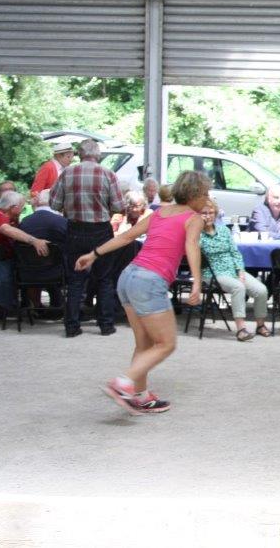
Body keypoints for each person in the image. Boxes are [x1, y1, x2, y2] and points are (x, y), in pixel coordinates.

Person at [81, 170, 211, 415]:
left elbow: (127, 236)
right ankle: (123, 384)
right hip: (149, 282)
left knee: (145, 343)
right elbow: (191, 247)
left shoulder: (159, 213)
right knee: (166, 344)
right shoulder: (193, 218)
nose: (207, 198)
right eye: (205, 193)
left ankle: (140, 395)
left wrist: (93, 254)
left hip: (129, 277)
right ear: (195, 194)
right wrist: (197, 282)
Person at [50, 139, 124, 338]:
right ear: (97, 154)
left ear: (79, 154)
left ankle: (72, 326)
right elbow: (118, 206)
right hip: (101, 231)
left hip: (74, 230)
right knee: (104, 279)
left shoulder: (67, 173)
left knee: (75, 281)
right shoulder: (108, 174)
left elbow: (54, 204)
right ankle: (106, 325)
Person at [199, 198, 270, 341]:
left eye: (211, 212)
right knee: (238, 287)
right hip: (213, 273)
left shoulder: (224, 230)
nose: (208, 216)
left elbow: (235, 252)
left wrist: (240, 270)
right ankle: (241, 329)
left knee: (261, 290)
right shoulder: (196, 234)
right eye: (204, 213)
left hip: (232, 270)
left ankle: (260, 325)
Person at [0, 191, 50, 321]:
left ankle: (34, 305)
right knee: (32, 270)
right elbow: (6, 230)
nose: (23, 209)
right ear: (14, 207)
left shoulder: (2, 216)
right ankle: (36, 306)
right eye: (22, 206)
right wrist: (34, 240)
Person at [19, 190, 69, 310]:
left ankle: (36, 307)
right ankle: (75, 308)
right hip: (57, 272)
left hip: (28, 271)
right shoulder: (61, 222)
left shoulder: (25, 222)